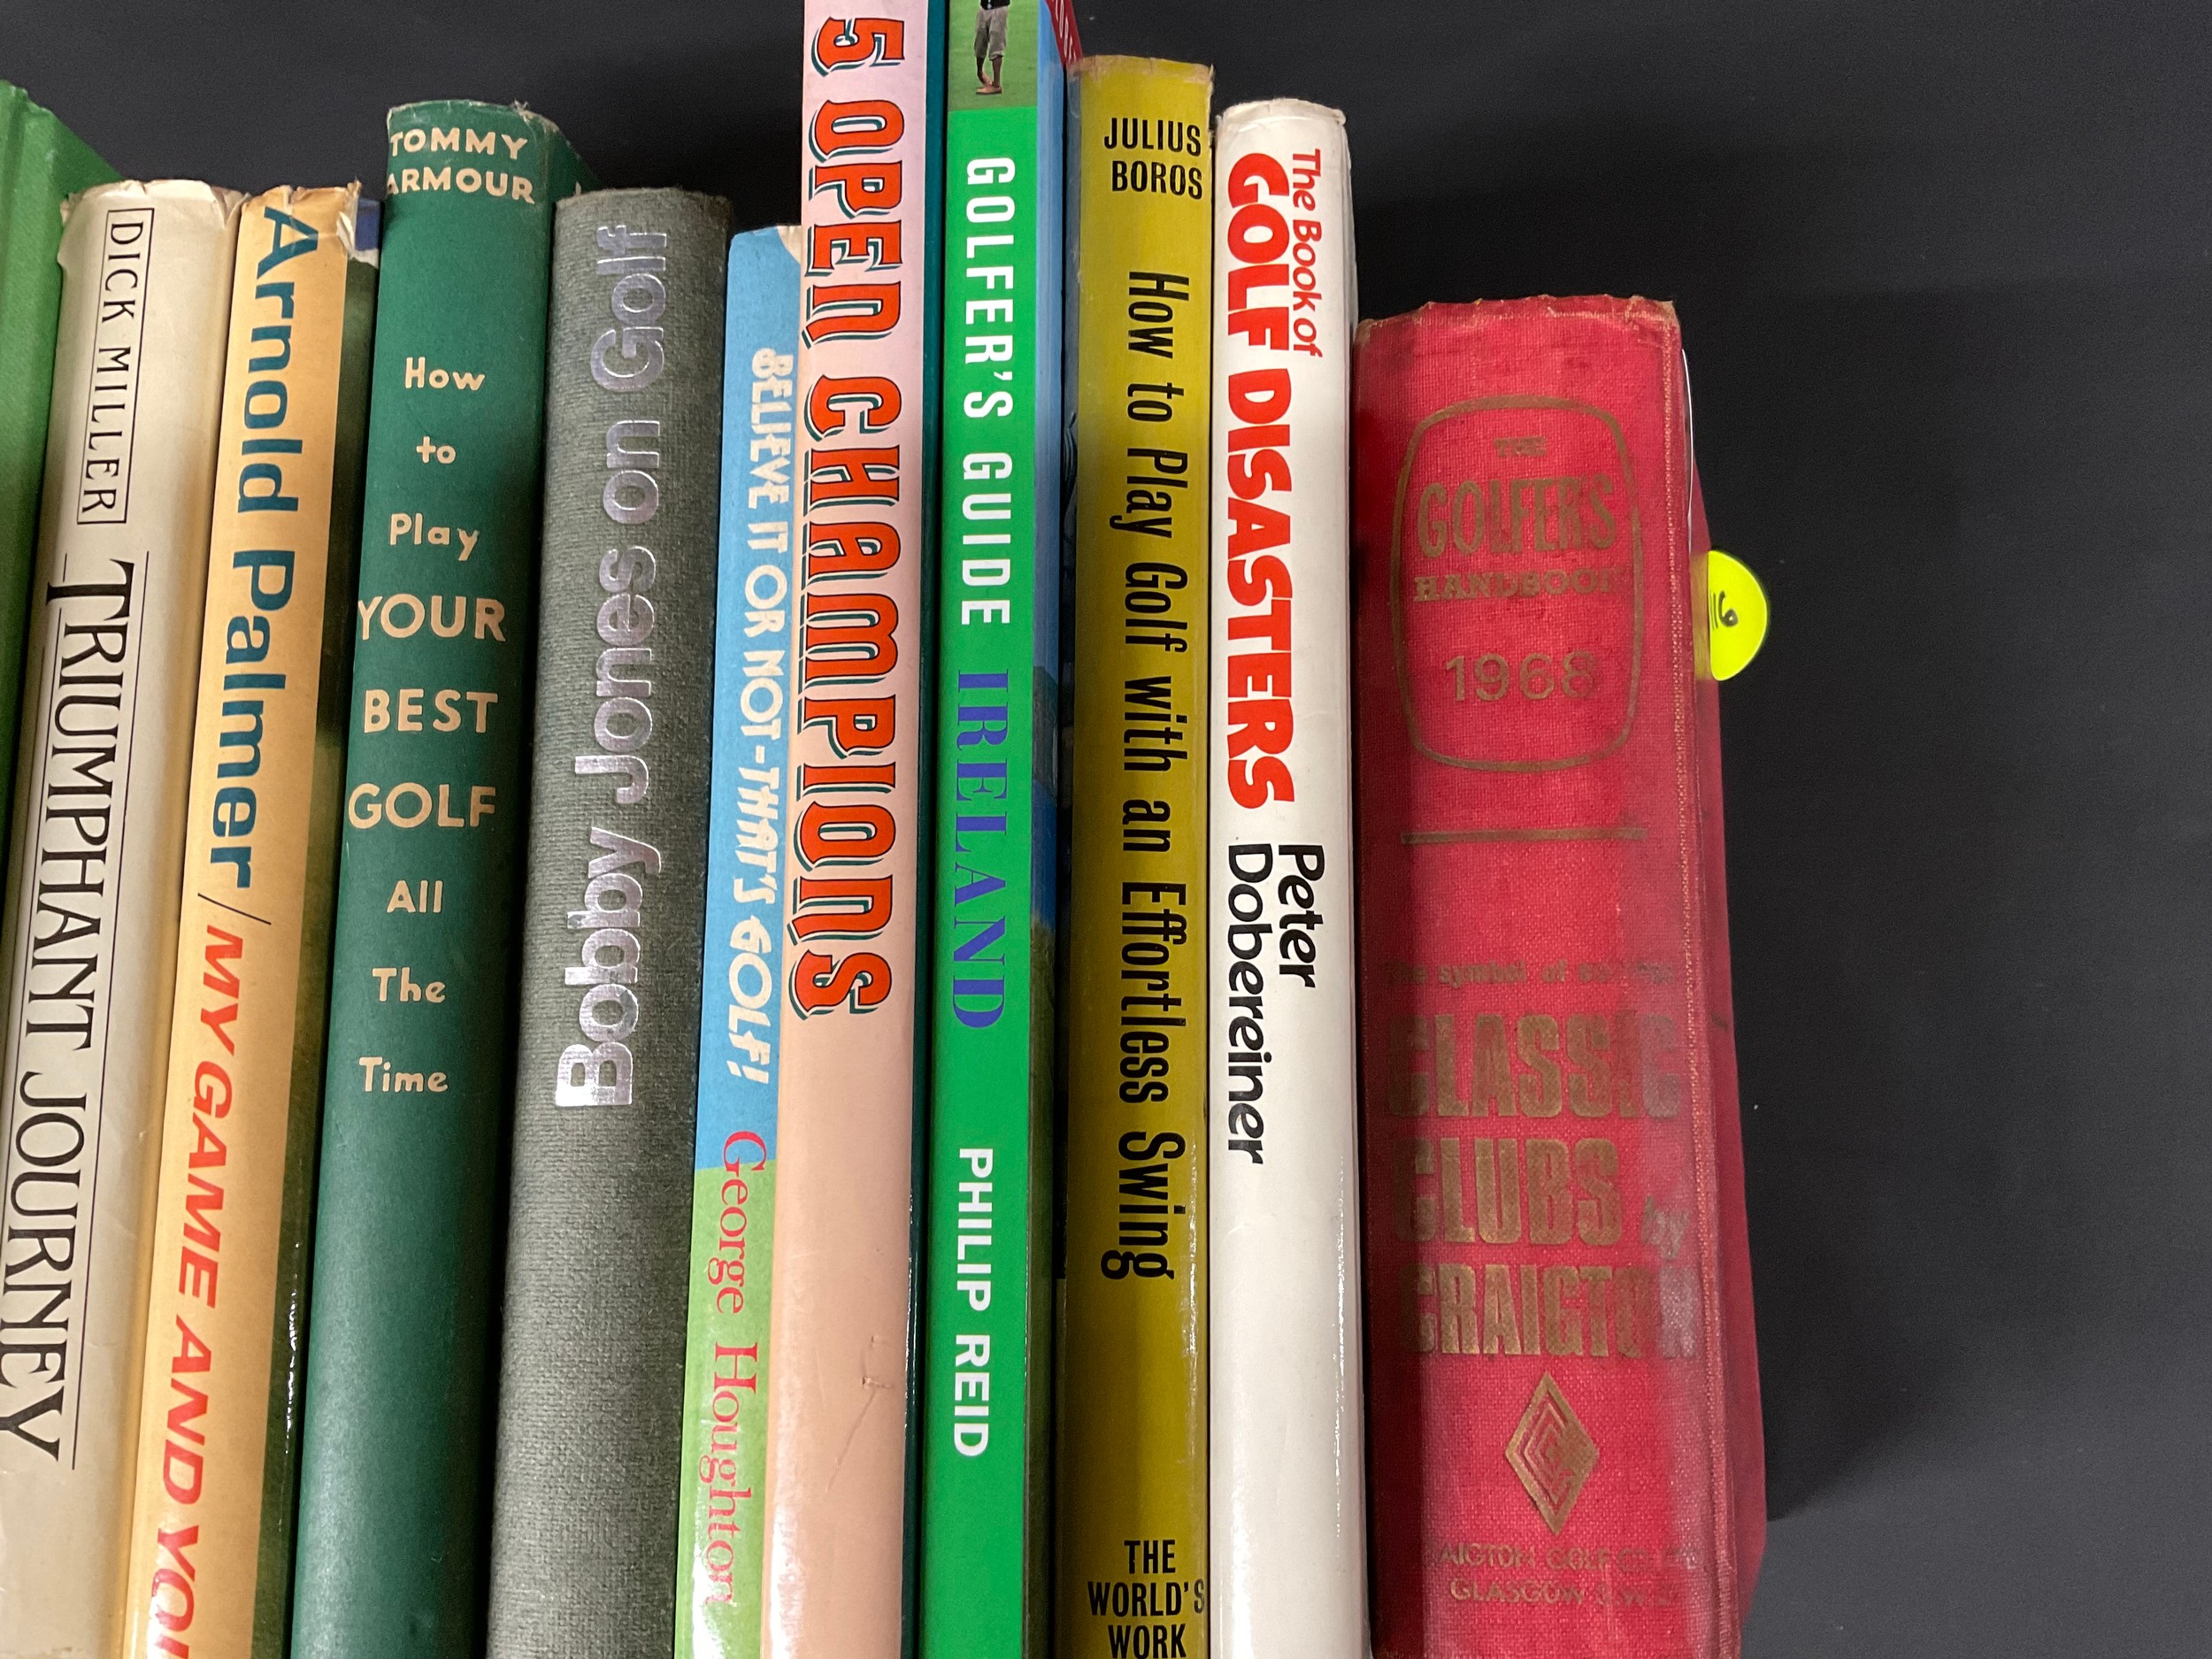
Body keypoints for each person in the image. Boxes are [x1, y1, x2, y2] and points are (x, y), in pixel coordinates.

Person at [974, 0, 1010, 94]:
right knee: (979, 43)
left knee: (996, 45)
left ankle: (996, 85)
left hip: (999, 8)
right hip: (984, 7)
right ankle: (980, 73)